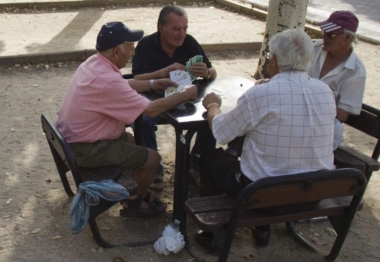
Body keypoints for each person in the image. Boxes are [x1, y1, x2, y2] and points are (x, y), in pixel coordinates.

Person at [194, 29, 336, 252]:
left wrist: (213, 105)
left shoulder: (261, 94)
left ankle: (212, 233)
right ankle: (261, 228)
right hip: (312, 194)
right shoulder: (325, 91)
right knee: (269, 156)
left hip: (261, 195)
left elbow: (221, 132)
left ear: (276, 61)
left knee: (211, 158)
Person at [56, 22, 198, 217]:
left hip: (70, 141)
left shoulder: (94, 63)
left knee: (131, 141)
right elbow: (152, 109)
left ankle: (131, 192)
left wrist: (153, 83)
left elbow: (123, 85)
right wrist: (186, 94)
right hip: (84, 149)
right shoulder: (108, 80)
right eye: (131, 49)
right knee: (152, 159)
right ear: (116, 52)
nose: (133, 54)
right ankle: (135, 201)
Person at [131, 5, 217, 190]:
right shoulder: (146, 45)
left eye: (185, 28)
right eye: (176, 28)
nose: (182, 34)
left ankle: (196, 163)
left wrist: (207, 72)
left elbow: (213, 71)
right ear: (161, 28)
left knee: (211, 113)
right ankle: (154, 167)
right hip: (153, 97)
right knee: (143, 121)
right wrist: (163, 73)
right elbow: (137, 79)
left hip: (185, 98)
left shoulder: (190, 43)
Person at [308, 11, 367, 149]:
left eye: (331, 34)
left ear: (347, 38)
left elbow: (342, 114)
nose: (324, 37)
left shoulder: (356, 71)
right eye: (324, 31)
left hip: (324, 129)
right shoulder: (315, 49)